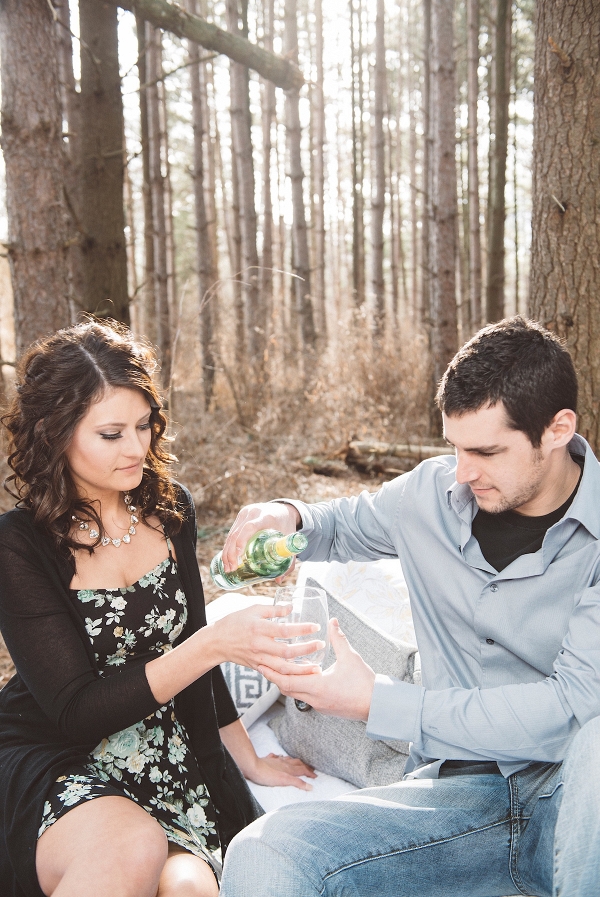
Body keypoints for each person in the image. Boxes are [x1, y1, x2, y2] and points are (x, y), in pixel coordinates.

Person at [218, 316, 600, 897]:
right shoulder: (432, 493)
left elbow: (567, 713)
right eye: (454, 447)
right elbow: (339, 526)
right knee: (265, 851)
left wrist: (379, 703)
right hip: (456, 800)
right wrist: (287, 514)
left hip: (574, 800)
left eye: (485, 451)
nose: (463, 472)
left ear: (556, 430)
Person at [0, 320, 322, 897]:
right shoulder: (16, 544)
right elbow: (75, 709)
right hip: (59, 750)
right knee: (130, 850)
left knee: (191, 889)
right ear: (56, 435)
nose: (137, 448)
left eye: (144, 425)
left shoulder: (170, 509)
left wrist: (245, 758)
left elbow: (196, 640)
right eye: (111, 433)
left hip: (164, 754)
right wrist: (211, 647)